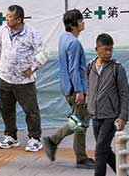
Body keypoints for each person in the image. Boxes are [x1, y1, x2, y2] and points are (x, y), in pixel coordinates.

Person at [0, 4, 45, 151]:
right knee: (5, 108)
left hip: (24, 81)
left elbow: (43, 52)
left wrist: (33, 67)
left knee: (31, 110)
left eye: (10, 16)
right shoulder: (3, 30)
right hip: (5, 78)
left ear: (19, 19)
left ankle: (34, 139)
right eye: (7, 16)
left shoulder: (31, 33)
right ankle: (10, 136)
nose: (7, 19)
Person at [45, 11, 91, 166]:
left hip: (67, 86)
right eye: (80, 20)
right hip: (75, 88)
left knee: (80, 120)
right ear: (73, 25)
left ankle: (81, 156)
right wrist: (79, 90)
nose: (83, 22)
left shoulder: (64, 38)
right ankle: (54, 141)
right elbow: (74, 69)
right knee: (81, 121)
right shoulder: (74, 43)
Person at [85, 35, 129, 176]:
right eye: (106, 50)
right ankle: (123, 173)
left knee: (99, 150)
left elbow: (124, 93)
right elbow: (88, 87)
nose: (109, 53)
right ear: (96, 49)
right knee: (105, 149)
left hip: (111, 116)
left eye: (111, 50)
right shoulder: (90, 66)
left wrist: (123, 116)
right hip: (95, 115)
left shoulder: (117, 69)